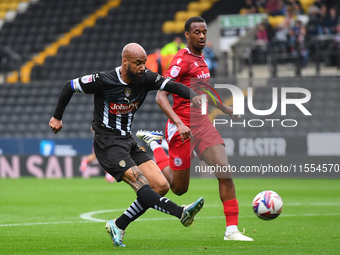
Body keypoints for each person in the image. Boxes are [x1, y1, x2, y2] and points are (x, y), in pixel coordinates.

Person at [49, 43, 205, 247]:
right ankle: (180, 212)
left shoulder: (146, 78)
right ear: (125, 61)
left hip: (127, 141)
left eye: (144, 63)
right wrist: (57, 117)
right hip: (107, 143)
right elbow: (69, 86)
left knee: (161, 186)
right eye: (138, 63)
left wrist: (195, 96)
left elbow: (173, 86)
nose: (142, 67)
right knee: (141, 185)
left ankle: (119, 225)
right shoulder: (103, 80)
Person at [137, 17, 253, 241]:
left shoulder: (201, 60)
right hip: (182, 128)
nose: (201, 36)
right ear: (187, 36)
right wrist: (179, 123)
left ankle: (232, 231)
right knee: (179, 189)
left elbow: (204, 89)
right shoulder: (180, 61)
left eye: (204, 32)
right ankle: (155, 144)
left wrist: (224, 108)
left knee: (224, 171)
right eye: (197, 32)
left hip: (202, 125)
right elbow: (161, 97)